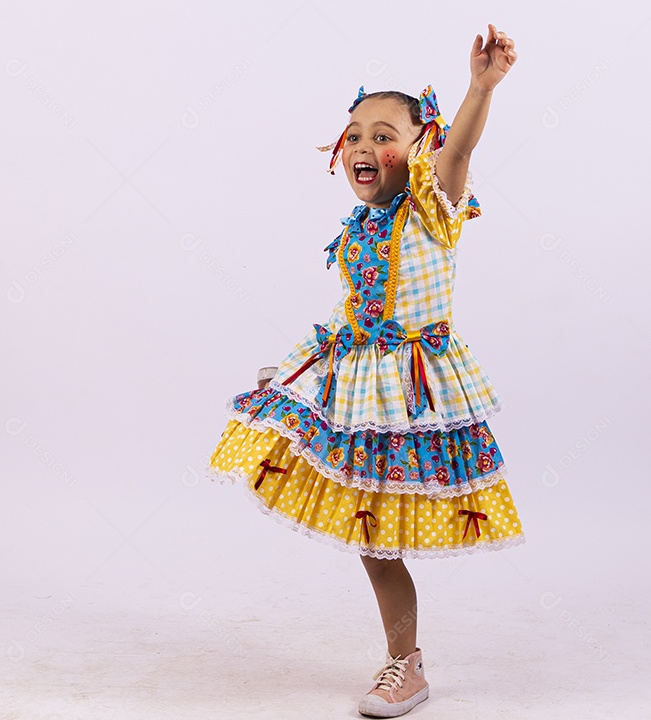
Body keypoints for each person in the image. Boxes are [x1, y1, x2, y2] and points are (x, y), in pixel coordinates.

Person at [205, 23, 523, 718]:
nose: (363, 146)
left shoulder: (431, 208)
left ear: (420, 147)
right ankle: (404, 663)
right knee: (370, 536)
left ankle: (405, 666)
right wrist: (300, 374)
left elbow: (462, 148)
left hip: (413, 389)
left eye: (384, 134)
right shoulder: (360, 227)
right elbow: (357, 309)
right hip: (360, 384)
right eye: (353, 134)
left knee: (378, 534)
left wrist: (479, 88)